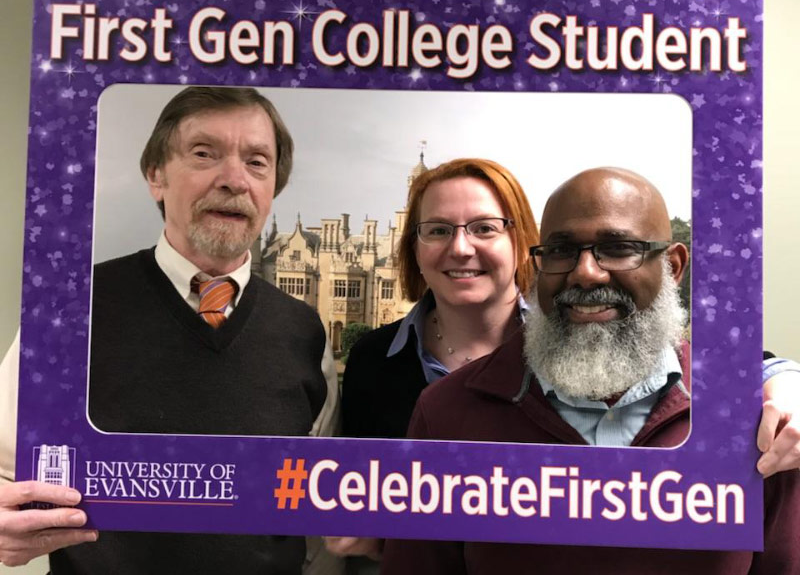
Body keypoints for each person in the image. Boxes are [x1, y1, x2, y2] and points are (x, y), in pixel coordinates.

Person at [378, 167, 800, 573]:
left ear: (672, 265)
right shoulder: (447, 413)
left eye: (617, 248)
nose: (585, 273)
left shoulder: (759, 422)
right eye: (561, 251)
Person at [0, 87, 341, 573]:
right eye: (204, 154)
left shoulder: (304, 329)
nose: (234, 179)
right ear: (156, 176)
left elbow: (321, 502)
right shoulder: (71, 309)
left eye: (257, 162)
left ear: (273, 190)